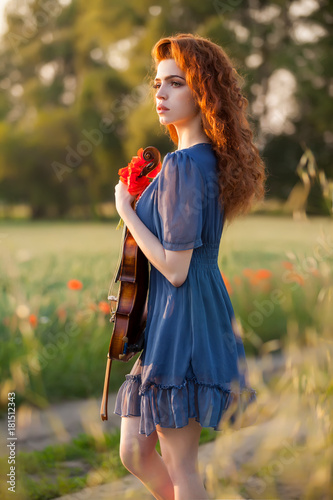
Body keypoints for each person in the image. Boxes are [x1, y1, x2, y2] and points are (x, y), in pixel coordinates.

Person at [113, 33, 266, 500]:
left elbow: (176, 268)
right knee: (135, 452)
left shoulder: (183, 165)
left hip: (184, 316)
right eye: (158, 83)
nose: (160, 93)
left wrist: (126, 210)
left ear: (203, 92)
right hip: (180, 311)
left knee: (181, 466)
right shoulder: (199, 162)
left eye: (175, 83)